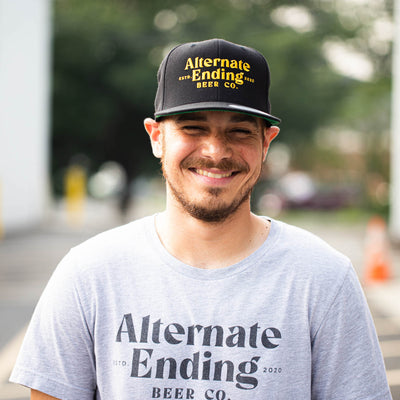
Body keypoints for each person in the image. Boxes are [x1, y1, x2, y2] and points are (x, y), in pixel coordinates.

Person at [11, 39, 392, 400]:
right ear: (156, 136)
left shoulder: (323, 278)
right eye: (193, 128)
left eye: (239, 131)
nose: (215, 151)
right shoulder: (89, 274)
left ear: (266, 143)